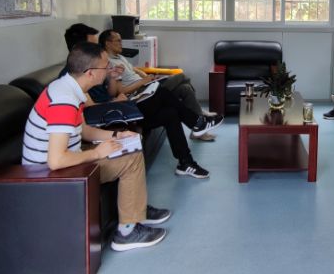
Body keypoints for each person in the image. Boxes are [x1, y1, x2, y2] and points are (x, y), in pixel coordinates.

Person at [21, 42, 170, 252]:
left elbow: (84, 131)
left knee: (128, 145)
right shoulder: (64, 100)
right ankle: (127, 232)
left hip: (64, 160)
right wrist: (98, 153)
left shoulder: (70, 88)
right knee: (130, 159)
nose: (110, 69)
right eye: (105, 66)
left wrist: (117, 135)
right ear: (90, 73)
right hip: (49, 174)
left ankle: (136, 210)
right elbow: (56, 161)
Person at [63, 24, 222, 179]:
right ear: (79, 50)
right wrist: (114, 102)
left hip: (119, 107)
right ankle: (197, 122)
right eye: (93, 46)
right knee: (162, 93)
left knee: (170, 113)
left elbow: (111, 92)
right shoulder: (73, 78)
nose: (99, 50)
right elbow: (91, 110)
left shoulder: (90, 70)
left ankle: (185, 162)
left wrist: (112, 78)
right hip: (113, 115)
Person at [98, 29, 218, 142]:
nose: (121, 43)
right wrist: (143, 82)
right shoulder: (109, 64)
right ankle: (199, 112)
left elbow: (134, 69)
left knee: (185, 89)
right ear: (108, 43)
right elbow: (121, 92)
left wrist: (147, 77)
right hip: (140, 93)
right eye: (118, 41)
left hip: (147, 85)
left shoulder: (120, 57)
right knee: (181, 76)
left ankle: (198, 131)